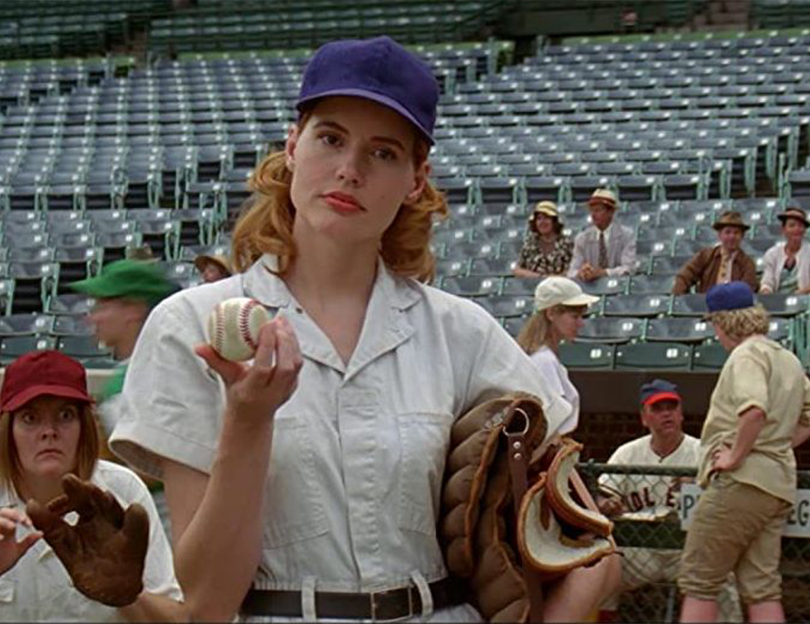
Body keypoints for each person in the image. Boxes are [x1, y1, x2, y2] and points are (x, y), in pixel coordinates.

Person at [108, 36, 620, 623]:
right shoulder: (190, 325)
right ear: (292, 147)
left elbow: (594, 550)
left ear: (416, 179)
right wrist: (247, 421)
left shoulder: (462, 332)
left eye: (383, 153)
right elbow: (207, 605)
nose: (349, 171)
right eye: (331, 138)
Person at [0, 350, 184, 623]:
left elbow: (176, 618)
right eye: (30, 418)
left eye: (65, 415)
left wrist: (124, 594)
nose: (49, 432)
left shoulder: (121, 492)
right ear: (9, 432)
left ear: (84, 427)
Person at [678, 282, 810, 623]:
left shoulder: (745, 355)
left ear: (724, 321)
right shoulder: (784, 355)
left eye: (713, 323)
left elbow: (753, 410)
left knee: (699, 581)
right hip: (777, 484)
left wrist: (736, 456)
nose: (714, 333)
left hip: (741, 483)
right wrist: (776, 445)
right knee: (762, 588)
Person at [595, 379, 741, 622]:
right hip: (639, 550)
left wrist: (700, 490)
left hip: (687, 549)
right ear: (644, 417)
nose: (666, 414)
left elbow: (727, 500)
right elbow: (603, 495)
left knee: (722, 580)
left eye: (671, 407)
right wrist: (606, 504)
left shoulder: (701, 452)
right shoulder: (627, 453)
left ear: (681, 414)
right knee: (597, 572)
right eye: (658, 408)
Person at [69, 259, 176, 436]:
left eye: (102, 307)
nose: (92, 318)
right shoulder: (129, 373)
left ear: (134, 310)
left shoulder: (157, 380)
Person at [517, 276, 599, 437]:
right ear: (551, 313)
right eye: (574, 316)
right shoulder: (543, 360)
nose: (580, 323)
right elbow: (548, 422)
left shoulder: (543, 357)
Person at [673, 211, 758, 294]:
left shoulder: (748, 263)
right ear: (720, 235)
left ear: (742, 236)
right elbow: (685, 276)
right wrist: (681, 299)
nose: (732, 236)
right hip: (706, 305)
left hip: (735, 306)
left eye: (736, 233)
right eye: (727, 232)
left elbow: (748, 288)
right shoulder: (705, 255)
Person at [568, 188, 637, 282]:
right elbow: (572, 271)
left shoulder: (626, 235)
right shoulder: (582, 238)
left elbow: (629, 268)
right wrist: (581, 273)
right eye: (592, 210)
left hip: (617, 286)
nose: (593, 215)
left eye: (598, 210)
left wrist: (603, 273)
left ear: (611, 212)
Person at [759, 207, 810, 295]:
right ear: (783, 230)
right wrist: (766, 292)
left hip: (805, 303)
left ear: (804, 230)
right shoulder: (772, 254)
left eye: (800, 226)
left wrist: (800, 293)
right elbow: (767, 282)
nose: (796, 229)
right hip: (776, 303)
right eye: (792, 225)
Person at [513, 201, 574, 278]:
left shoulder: (567, 243)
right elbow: (518, 270)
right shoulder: (530, 243)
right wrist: (540, 277)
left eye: (546, 218)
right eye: (539, 218)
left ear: (554, 221)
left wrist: (553, 280)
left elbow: (573, 270)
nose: (542, 222)